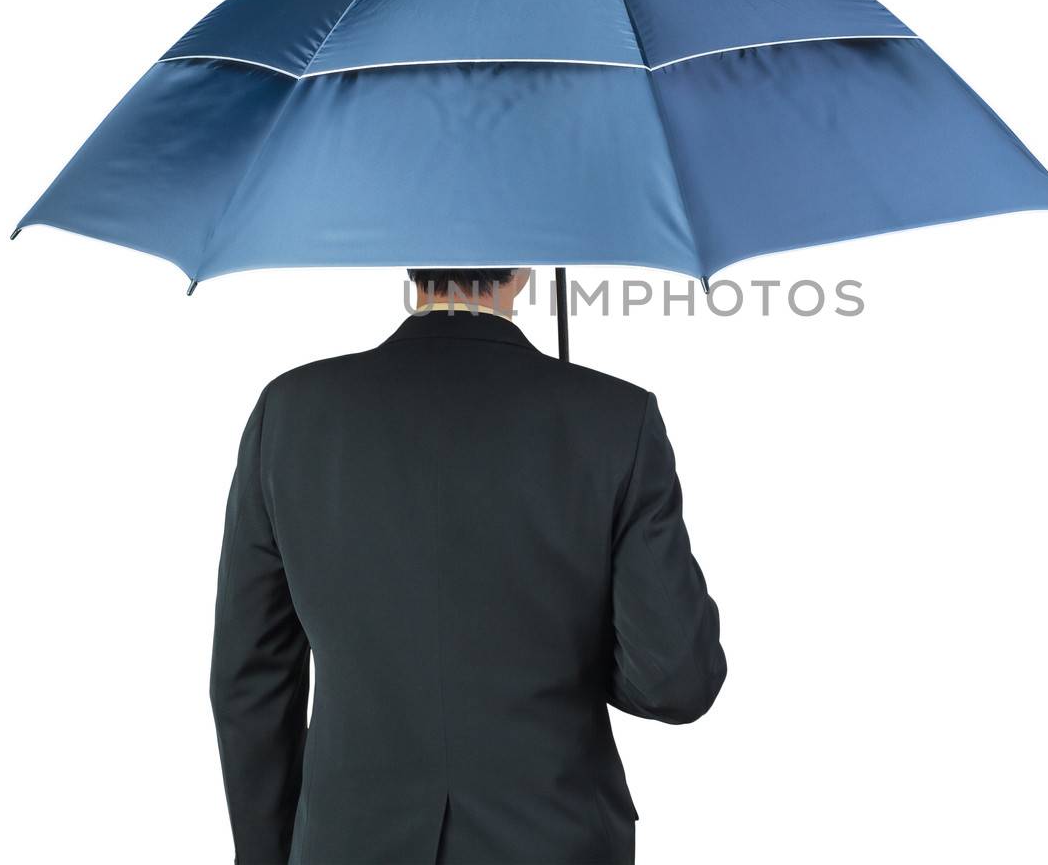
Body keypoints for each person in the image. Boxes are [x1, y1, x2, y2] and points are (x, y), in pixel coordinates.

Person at [209, 267, 726, 864]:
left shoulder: (291, 411)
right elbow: (677, 682)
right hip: (556, 841)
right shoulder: (614, 417)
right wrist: (577, 636)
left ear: (406, 261)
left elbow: (249, 679)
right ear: (527, 269)